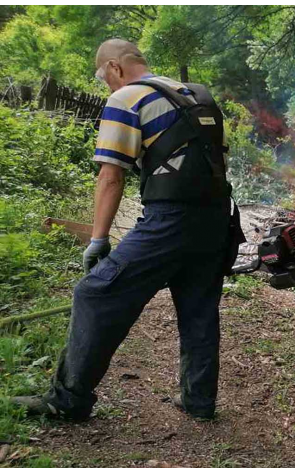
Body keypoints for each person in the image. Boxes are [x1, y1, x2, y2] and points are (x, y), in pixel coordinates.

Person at [10, 39, 238, 420]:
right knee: (199, 307)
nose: (106, 86)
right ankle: (199, 400)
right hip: (217, 219)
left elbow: (111, 177)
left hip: (170, 220)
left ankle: (67, 400)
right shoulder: (196, 97)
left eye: (104, 77)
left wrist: (98, 240)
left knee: (93, 294)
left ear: (115, 68)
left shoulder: (126, 98)